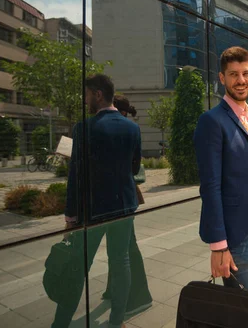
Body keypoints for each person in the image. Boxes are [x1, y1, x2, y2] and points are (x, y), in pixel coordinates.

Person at [53, 74, 142, 328]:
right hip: (123, 208)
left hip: (92, 211)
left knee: (78, 269)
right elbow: (134, 169)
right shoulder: (132, 128)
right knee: (121, 262)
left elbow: (75, 178)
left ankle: (60, 324)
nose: (86, 99)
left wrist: (70, 217)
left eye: (87, 94)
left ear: (98, 95)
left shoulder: (84, 129)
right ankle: (116, 322)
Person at [193, 46, 248, 292]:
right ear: (222, 78)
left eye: (245, 73)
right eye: (233, 74)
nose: (240, 80)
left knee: (243, 306)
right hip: (233, 236)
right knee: (244, 309)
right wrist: (218, 245)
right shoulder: (212, 121)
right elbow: (210, 186)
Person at [99, 94, 152, 317]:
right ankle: (116, 291)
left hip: (119, 198)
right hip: (123, 198)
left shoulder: (122, 130)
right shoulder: (128, 129)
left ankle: (137, 296)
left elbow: (129, 166)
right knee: (121, 247)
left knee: (125, 249)